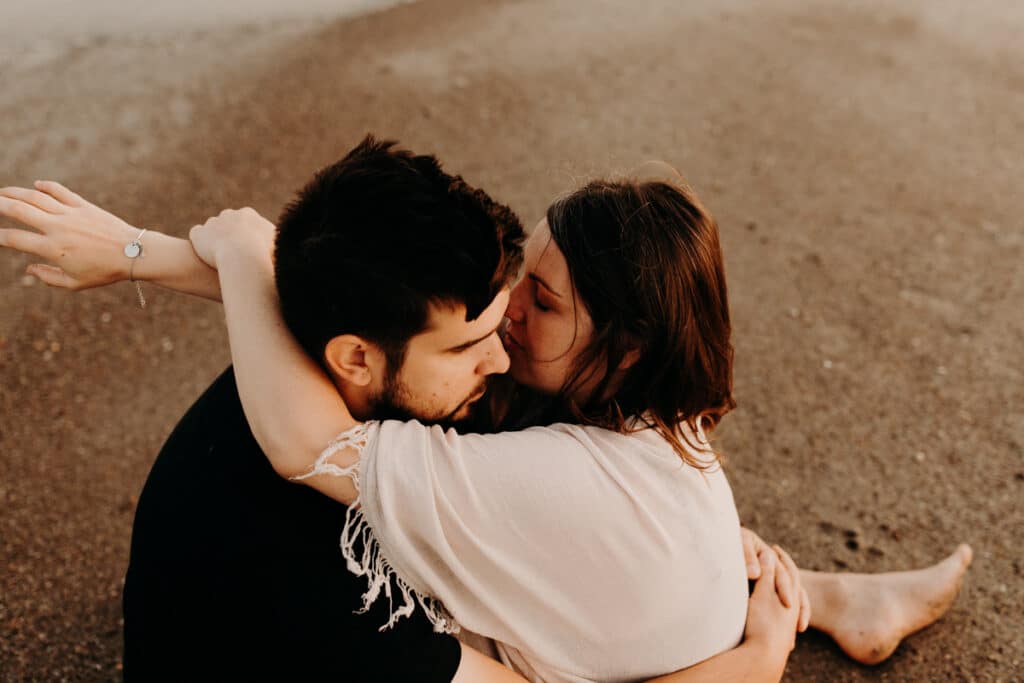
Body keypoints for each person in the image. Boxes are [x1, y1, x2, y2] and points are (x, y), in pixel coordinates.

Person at [0, 138, 970, 681]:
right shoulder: (633, 400)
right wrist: (144, 250)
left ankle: (818, 598)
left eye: (532, 305)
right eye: (509, 300)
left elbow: (324, 386)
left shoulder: (532, 457)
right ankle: (823, 596)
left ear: (619, 353)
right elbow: (358, 329)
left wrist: (216, 247)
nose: (502, 327)